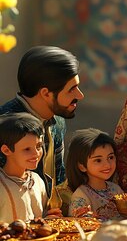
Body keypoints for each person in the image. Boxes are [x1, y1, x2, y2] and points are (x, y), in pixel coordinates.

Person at [0, 45, 84, 208]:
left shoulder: (57, 121)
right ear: (45, 93)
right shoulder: (4, 124)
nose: (80, 95)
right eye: (71, 89)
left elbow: (59, 181)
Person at [0, 113, 62, 222]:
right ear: (6, 150)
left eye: (38, 146)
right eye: (27, 149)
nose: (36, 153)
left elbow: (40, 221)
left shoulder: (37, 180)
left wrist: (48, 219)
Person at [66, 128, 123, 220]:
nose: (107, 165)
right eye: (98, 160)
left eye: (111, 157)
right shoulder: (81, 196)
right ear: (82, 166)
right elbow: (80, 226)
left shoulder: (116, 189)